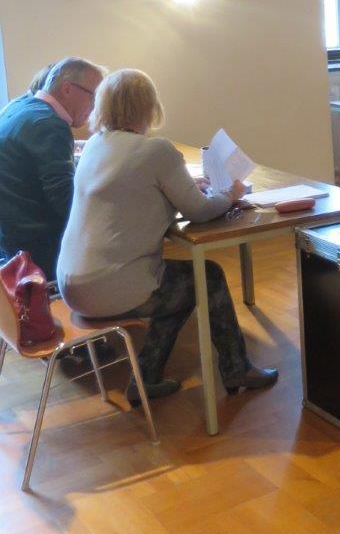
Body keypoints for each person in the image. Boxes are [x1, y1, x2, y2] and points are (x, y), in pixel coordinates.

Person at [57, 70, 277, 403]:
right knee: (208, 276)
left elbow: (135, 192)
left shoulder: (95, 146)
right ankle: (237, 368)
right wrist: (230, 195)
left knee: (180, 289)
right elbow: (200, 211)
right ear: (148, 106)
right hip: (109, 287)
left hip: (72, 285)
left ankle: (146, 379)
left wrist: (184, 187)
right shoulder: (156, 150)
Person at [0, 57, 105, 277]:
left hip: (10, 239)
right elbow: (67, 202)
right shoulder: (50, 124)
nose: (95, 106)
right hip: (39, 249)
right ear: (67, 89)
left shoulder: (19, 106)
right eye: (94, 96)